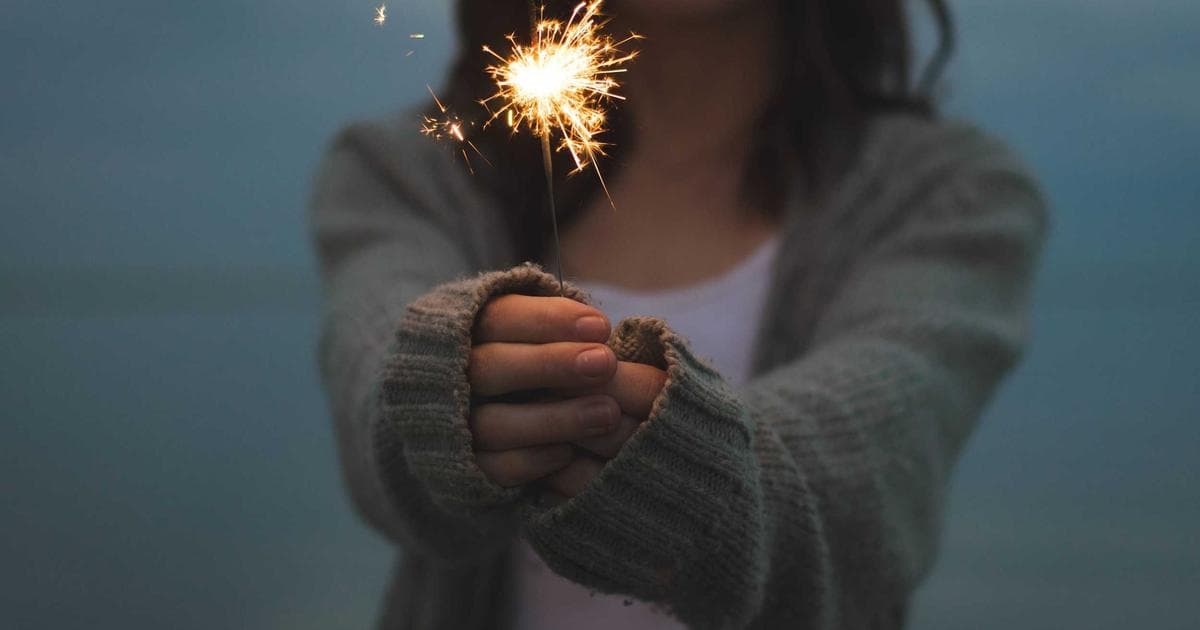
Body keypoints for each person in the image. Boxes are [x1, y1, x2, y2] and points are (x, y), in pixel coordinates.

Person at [309, 0, 1047, 628]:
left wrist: (686, 464)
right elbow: (377, 377)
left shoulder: (948, 195)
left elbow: (877, 464)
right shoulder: (410, 172)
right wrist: (445, 391)